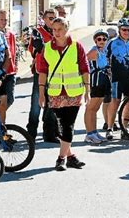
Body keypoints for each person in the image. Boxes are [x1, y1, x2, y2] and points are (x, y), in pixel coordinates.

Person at [37, 17, 90, 171]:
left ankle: (60, 159)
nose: (56, 33)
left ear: (67, 29)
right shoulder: (47, 48)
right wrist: (41, 93)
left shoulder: (76, 46)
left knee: (68, 125)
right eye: (54, 29)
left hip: (74, 92)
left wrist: (88, 89)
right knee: (62, 126)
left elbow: (85, 68)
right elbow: (42, 72)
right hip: (55, 92)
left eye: (60, 29)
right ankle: (71, 157)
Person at [105, 18, 129, 140]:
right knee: (115, 102)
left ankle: (124, 130)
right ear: (119, 30)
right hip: (117, 77)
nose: (126, 32)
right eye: (124, 29)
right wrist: (107, 71)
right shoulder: (112, 43)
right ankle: (109, 128)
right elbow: (105, 57)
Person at [26, 9, 59, 142]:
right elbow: (33, 50)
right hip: (41, 71)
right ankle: (31, 133)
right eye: (50, 18)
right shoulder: (37, 32)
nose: (53, 20)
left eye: (55, 18)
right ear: (44, 19)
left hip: (56, 72)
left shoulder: (60, 31)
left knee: (52, 104)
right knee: (36, 103)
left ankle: (49, 134)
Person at [84, 30, 110, 144]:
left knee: (95, 109)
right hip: (96, 81)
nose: (102, 41)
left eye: (104, 39)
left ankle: (94, 132)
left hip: (103, 81)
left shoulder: (104, 51)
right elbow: (83, 64)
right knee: (90, 108)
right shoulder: (94, 52)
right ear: (95, 40)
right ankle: (89, 134)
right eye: (99, 39)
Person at [0, 9, 17, 123]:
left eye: (6, 19)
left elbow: (14, 52)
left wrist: (15, 66)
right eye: (1, 19)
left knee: (10, 99)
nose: (4, 22)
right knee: (1, 102)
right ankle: (0, 130)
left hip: (11, 72)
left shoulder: (10, 34)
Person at [102, 27, 118, 131]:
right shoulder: (104, 48)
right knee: (108, 100)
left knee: (110, 100)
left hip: (112, 76)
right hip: (107, 76)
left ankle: (109, 122)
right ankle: (108, 122)